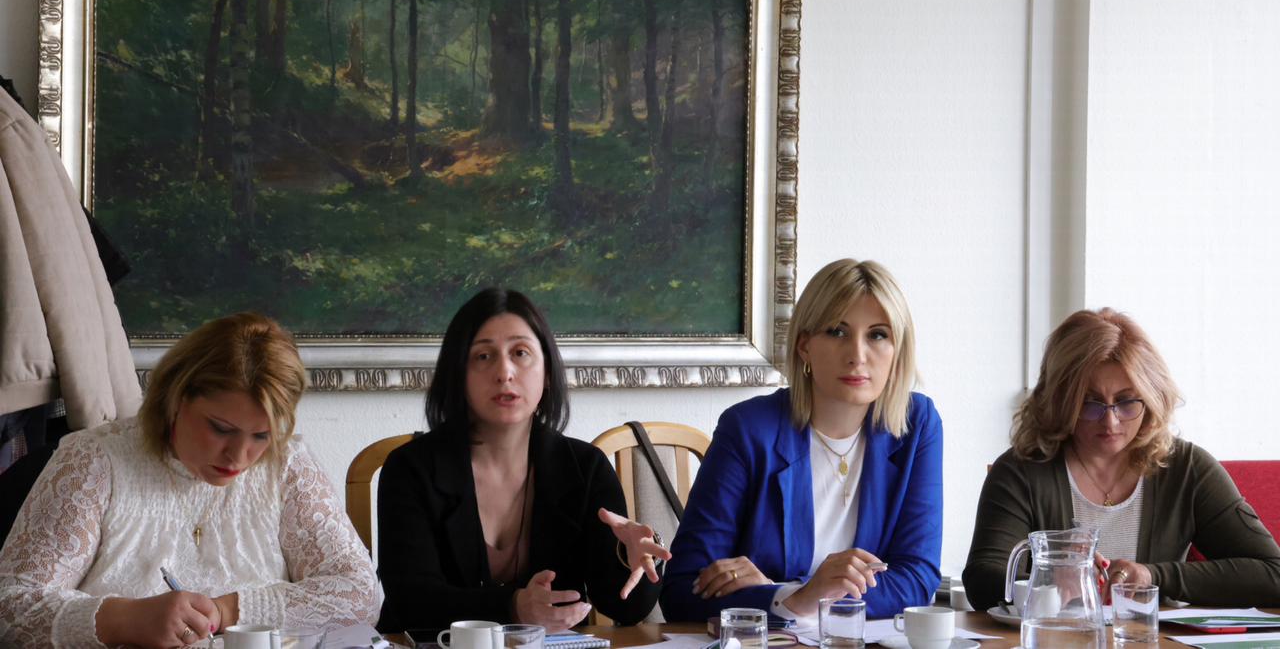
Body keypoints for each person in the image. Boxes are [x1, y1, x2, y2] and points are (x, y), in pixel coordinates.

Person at [0, 312, 381, 648]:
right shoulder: (94, 459)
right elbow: (11, 607)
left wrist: (223, 610)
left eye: (261, 435)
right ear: (175, 399)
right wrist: (124, 619)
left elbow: (360, 594)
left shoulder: (286, 464)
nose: (239, 457)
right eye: (221, 429)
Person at [660, 259, 944, 623]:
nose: (857, 356)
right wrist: (794, 598)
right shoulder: (747, 430)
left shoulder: (917, 425)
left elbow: (917, 578)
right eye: (837, 331)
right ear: (804, 345)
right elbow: (682, 592)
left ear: (898, 349)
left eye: (877, 335)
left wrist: (799, 595)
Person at [375, 288, 669, 633]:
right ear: (459, 375)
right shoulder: (410, 469)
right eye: (483, 356)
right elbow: (412, 603)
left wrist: (632, 557)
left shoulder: (585, 468)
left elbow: (626, 607)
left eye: (520, 353)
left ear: (547, 371)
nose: (504, 372)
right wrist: (513, 607)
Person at [963, 308, 1280, 610]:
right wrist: (1050, 578)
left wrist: (1152, 576)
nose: (1110, 421)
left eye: (1126, 402)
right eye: (1090, 403)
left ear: (1151, 399)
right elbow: (982, 580)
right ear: (1060, 401)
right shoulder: (1020, 472)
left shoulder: (1188, 470)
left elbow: (1273, 573)